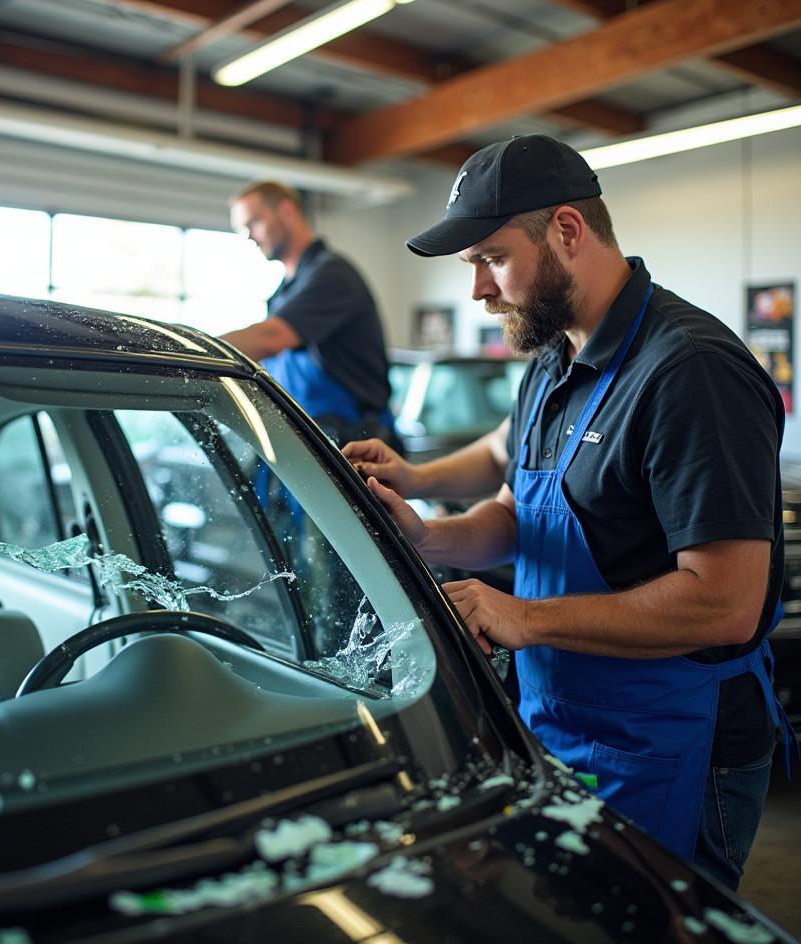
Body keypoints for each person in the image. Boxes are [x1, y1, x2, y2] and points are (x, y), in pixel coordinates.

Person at [345, 133, 795, 890]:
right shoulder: (555, 359)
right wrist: (428, 532)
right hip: (564, 723)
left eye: (490, 259)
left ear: (566, 230)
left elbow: (726, 604)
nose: (479, 292)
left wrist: (521, 618)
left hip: (675, 745)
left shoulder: (690, 373)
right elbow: (516, 510)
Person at [221, 180, 397, 448]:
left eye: (254, 222)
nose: (249, 236)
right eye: (242, 229)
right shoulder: (284, 293)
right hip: (307, 436)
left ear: (287, 211)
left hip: (353, 444)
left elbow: (270, 337)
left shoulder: (332, 274)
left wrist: (188, 349)